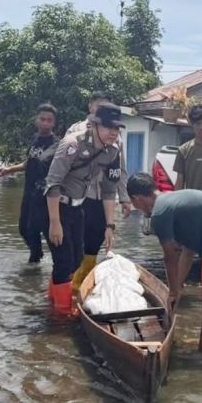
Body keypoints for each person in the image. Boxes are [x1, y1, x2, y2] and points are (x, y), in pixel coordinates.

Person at [127, 173, 202, 352]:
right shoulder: (170, 201)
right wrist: (177, 287)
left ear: (137, 199)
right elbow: (187, 250)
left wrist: (173, 290)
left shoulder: (159, 213)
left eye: (133, 202)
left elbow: (170, 257)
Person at [45, 102, 124, 315]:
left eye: (117, 129)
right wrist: (54, 223)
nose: (113, 133)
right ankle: (61, 315)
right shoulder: (72, 144)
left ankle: (52, 299)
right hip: (54, 206)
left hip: (78, 207)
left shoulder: (112, 152)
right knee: (63, 261)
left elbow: (109, 190)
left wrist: (110, 225)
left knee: (77, 258)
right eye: (109, 127)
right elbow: (52, 183)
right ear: (95, 125)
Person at [65, 93, 132, 293]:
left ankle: (81, 288)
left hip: (103, 197)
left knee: (95, 241)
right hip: (78, 197)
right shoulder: (76, 131)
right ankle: (65, 286)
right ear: (90, 107)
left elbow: (119, 169)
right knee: (75, 244)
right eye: (98, 106)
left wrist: (125, 197)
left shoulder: (115, 136)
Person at [0, 104, 59, 263]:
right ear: (36, 120)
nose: (45, 123)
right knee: (24, 229)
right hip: (29, 191)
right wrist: (9, 169)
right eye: (42, 119)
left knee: (46, 231)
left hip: (45, 195)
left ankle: (60, 266)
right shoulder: (35, 139)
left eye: (49, 120)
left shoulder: (57, 144)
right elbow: (29, 162)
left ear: (54, 123)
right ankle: (36, 255)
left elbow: (46, 163)